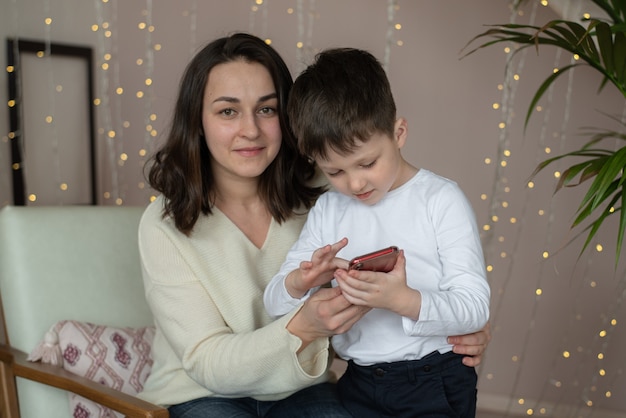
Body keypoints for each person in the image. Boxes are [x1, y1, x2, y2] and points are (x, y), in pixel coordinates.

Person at [138, 32, 490, 418]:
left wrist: (449, 328)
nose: (251, 130)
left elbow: (422, 274)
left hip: (306, 388)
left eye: (267, 109)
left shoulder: (331, 193)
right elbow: (209, 360)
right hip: (203, 391)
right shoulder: (164, 224)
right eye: (228, 111)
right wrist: (302, 326)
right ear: (198, 121)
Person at [263, 47, 490, 418]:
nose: (354, 183)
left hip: (433, 381)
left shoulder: (440, 199)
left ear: (398, 133)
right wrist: (301, 281)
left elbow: (475, 308)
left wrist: (402, 300)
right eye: (334, 172)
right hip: (358, 382)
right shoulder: (329, 210)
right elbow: (274, 304)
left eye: (367, 162)